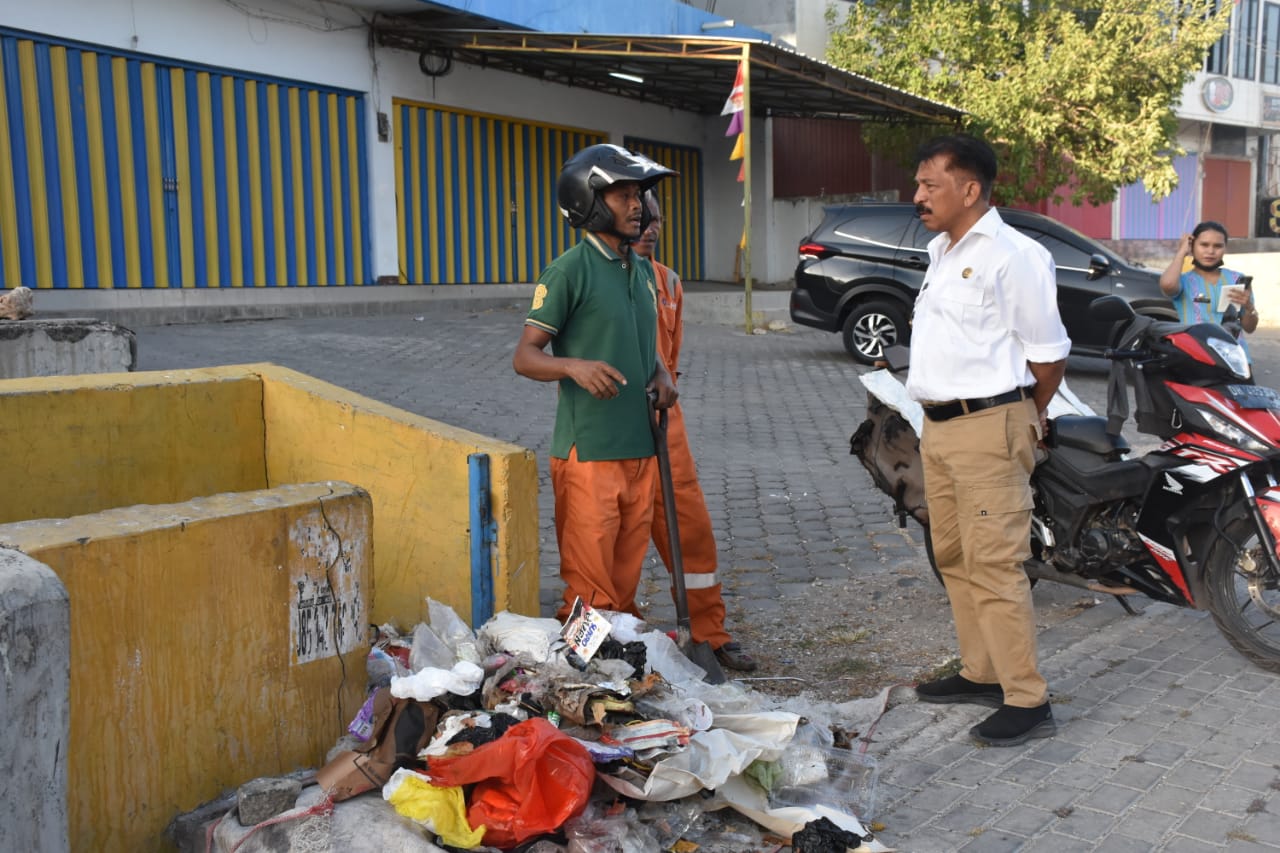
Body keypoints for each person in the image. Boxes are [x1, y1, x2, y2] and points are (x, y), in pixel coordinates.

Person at [905, 134, 1071, 747]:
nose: (918, 195)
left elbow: (1049, 356)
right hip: (938, 426)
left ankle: (1027, 699)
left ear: (970, 189)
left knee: (996, 564)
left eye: (930, 185)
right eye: (919, 184)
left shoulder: (1014, 255)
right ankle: (982, 672)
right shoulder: (940, 251)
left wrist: (1023, 416)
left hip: (988, 427)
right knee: (954, 556)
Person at [512, 144, 679, 623]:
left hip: (640, 448)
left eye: (638, 196)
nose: (637, 206)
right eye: (623, 195)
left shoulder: (643, 271)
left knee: (623, 586)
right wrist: (574, 367)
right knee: (589, 593)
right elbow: (524, 357)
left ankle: (619, 658)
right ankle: (584, 662)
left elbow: (643, 343)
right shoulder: (568, 271)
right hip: (589, 454)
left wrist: (661, 373)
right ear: (588, 202)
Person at [632, 191, 757, 672]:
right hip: (615, 423)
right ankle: (614, 640)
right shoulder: (600, 277)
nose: (650, 227)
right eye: (641, 218)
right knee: (613, 541)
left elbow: (672, 357)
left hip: (666, 421)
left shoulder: (669, 282)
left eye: (656, 219)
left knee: (692, 531)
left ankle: (708, 632)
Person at [1159, 220, 1258, 356]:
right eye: (1204, 245)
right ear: (1192, 246)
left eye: (1218, 246)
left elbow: (1250, 328)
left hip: (1234, 358)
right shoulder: (1184, 281)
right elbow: (1167, 285)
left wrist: (1249, 308)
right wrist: (1181, 252)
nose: (1211, 251)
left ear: (1225, 248)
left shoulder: (1237, 279)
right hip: (1196, 355)